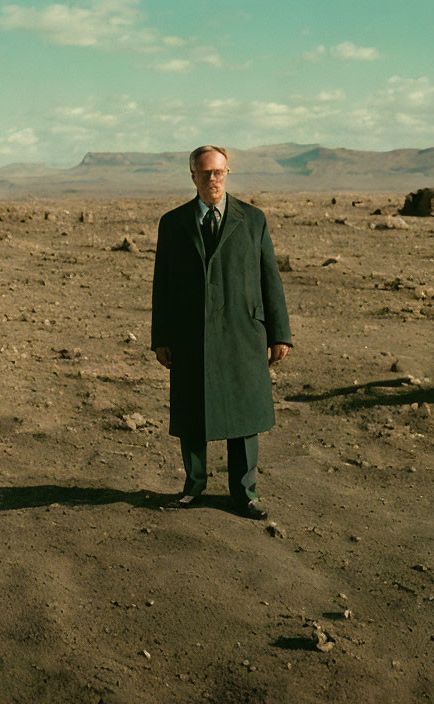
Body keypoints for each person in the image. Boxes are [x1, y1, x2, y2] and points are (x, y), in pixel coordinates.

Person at [151, 145, 292, 519]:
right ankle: (194, 487)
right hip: (190, 334)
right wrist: (160, 337)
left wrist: (280, 333)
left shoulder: (254, 220)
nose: (212, 179)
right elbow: (162, 284)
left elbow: (270, 280)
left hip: (243, 333)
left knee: (244, 416)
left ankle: (245, 493)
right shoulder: (174, 222)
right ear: (193, 176)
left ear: (227, 173)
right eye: (205, 173)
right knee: (192, 410)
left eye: (219, 172)